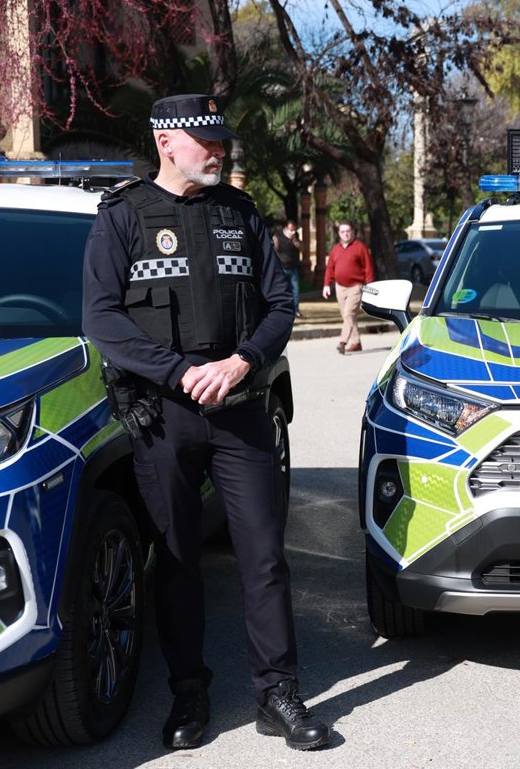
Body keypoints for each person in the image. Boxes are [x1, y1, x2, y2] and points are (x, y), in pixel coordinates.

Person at [81, 93, 330, 750]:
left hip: (240, 412)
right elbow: (101, 318)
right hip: (165, 416)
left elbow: (280, 303)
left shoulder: (240, 213)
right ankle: (188, 691)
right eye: (205, 141)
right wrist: (175, 372)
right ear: (166, 140)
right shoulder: (123, 216)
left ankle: (278, 694)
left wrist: (244, 361)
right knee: (177, 560)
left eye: (222, 140)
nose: (218, 150)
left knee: (264, 556)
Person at [321, 221, 375, 354]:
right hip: (339, 287)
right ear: (339, 234)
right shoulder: (335, 249)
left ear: (353, 232)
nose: (345, 234)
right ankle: (356, 342)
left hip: (356, 287)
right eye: (343, 231)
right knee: (348, 317)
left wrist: (370, 286)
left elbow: (368, 267)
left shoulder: (360, 247)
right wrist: (326, 284)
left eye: (348, 231)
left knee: (348, 314)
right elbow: (330, 268)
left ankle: (342, 342)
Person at [273, 220, 303, 318]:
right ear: (286, 228)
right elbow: (274, 249)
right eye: (291, 229)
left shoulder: (296, 236)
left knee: (295, 290)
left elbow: (302, 248)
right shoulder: (278, 235)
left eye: (294, 229)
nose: (292, 231)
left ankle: (296, 310)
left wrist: (294, 240)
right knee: (282, 289)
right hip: (282, 267)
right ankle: (282, 310)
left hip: (293, 266)